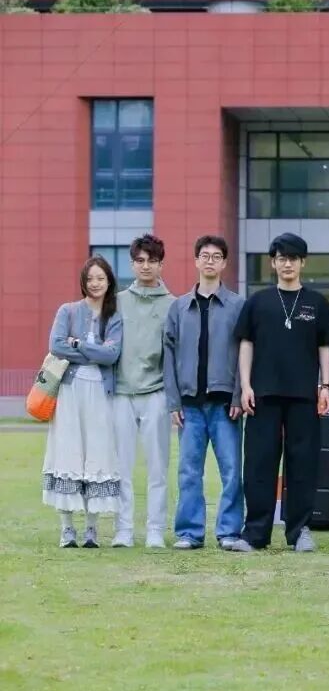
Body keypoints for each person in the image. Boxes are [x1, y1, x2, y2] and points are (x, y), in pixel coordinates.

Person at [230, 233, 329, 553]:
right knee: (259, 464)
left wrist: (325, 385)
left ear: (303, 262)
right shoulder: (257, 302)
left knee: (302, 464)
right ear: (273, 263)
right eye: (281, 259)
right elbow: (246, 344)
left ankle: (300, 530)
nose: (287, 264)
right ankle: (255, 533)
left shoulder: (317, 303)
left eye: (293, 258)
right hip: (263, 395)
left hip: (304, 396)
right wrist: (246, 385)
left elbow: (325, 347)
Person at [163, 236, 245, 551]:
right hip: (189, 405)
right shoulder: (179, 307)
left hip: (225, 405)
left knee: (231, 471)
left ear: (224, 263)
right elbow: (168, 356)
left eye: (216, 256)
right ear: (196, 261)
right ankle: (189, 532)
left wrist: (238, 395)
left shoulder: (237, 306)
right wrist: (173, 401)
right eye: (205, 256)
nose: (210, 261)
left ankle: (229, 531)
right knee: (188, 472)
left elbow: (245, 354)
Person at [42, 256, 124, 548]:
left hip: (101, 394)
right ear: (83, 282)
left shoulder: (114, 317)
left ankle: (91, 529)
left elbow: (111, 356)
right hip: (70, 391)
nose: (95, 283)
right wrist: (93, 350)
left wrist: (77, 344)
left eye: (100, 278)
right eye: (90, 279)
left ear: (109, 281)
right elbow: (56, 345)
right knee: (68, 454)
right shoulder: (68, 310)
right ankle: (67, 529)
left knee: (97, 455)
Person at [113, 234, 175, 548]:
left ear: (161, 264)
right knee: (120, 468)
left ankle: (155, 531)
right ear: (132, 264)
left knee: (157, 469)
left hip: (156, 393)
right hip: (121, 394)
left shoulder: (174, 305)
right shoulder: (117, 301)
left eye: (152, 260)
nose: (146, 266)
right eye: (140, 260)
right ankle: (123, 531)